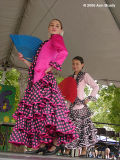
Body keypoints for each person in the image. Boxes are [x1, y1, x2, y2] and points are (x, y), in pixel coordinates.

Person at [9, 19, 79, 155]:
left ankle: (55, 144)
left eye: (57, 26)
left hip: (46, 82)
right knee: (40, 115)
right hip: (37, 82)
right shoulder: (45, 43)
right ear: (48, 28)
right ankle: (41, 145)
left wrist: (53, 66)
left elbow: (63, 52)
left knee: (51, 113)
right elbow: (36, 68)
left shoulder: (56, 38)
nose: (54, 27)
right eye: (51, 25)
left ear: (60, 30)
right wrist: (24, 60)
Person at [65, 56, 99, 157]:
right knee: (69, 128)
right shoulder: (69, 77)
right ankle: (67, 150)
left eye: (77, 64)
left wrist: (88, 99)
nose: (74, 66)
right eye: (73, 64)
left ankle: (84, 151)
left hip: (80, 107)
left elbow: (96, 86)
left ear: (82, 65)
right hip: (70, 106)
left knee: (83, 129)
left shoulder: (85, 75)